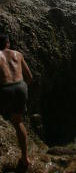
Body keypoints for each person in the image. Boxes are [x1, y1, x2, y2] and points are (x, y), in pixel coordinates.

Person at [0, 33, 33, 169]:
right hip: (20, 86)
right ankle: (25, 158)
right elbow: (29, 77)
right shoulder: (18, 54)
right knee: (18, 122)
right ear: (7, 43)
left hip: (5, 89)